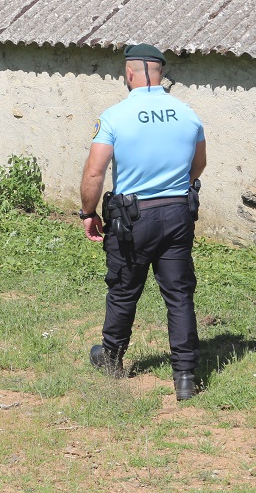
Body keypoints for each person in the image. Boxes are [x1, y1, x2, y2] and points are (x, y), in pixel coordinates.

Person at [80, 43, 207, 401]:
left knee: (124, 288)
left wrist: (88, 212)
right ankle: (185, 377)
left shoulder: (114, 116)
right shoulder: (187, 113)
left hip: (133, 217)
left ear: (129, 72)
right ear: (161, 73)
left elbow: (95, 171)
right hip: (178, 212)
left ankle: (111, 357)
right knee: (179, 294)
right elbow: (199, 164)